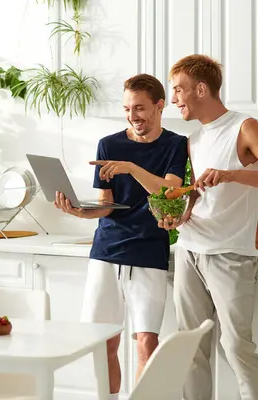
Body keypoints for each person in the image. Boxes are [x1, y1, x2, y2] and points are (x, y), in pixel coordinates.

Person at [160, 54, 258, 400]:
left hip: (230, 254)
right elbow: (200, 197)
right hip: (190, 248)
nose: (174, 98)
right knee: (190, 347)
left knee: (237, 347)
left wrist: (235, 173)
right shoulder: (194, 139)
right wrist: (180, 215)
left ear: (201, 89)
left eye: (178, 90)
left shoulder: (244, 127)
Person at [53, 73, 188, 400]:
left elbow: (169, 190)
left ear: (160, 106)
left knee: (147, 341)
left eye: (140, 108)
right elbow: (106, 206)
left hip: (148, 253)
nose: (133, 116)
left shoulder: (175, 144)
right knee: (104, 340)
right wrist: (80, 212)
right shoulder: (109, 145)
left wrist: (130, 167)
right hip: (107, 251)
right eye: (127, 109)